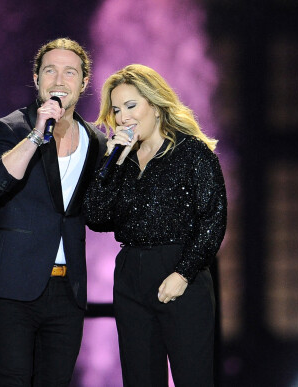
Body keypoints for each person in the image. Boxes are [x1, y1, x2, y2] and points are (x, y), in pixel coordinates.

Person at [83, 64, 227, 387]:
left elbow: (214, 218)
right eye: (117, 110)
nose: (123, 118)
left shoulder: (192, 152)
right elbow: (95, 215)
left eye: (131, 106)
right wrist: (114, 162)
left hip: (180, 271)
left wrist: (183, 273)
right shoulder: (122, 159)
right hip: (131, 273)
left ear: (156, 105)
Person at [0, 38, 107, 386]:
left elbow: (99, 211)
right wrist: (36, 134)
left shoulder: (96, 141)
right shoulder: (10, 128)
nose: (60, 80)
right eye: (50, 70)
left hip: (68, 289)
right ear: (36, 79)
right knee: (13, 378)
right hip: (13, 283)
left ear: (83, 82)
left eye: (70, 72)